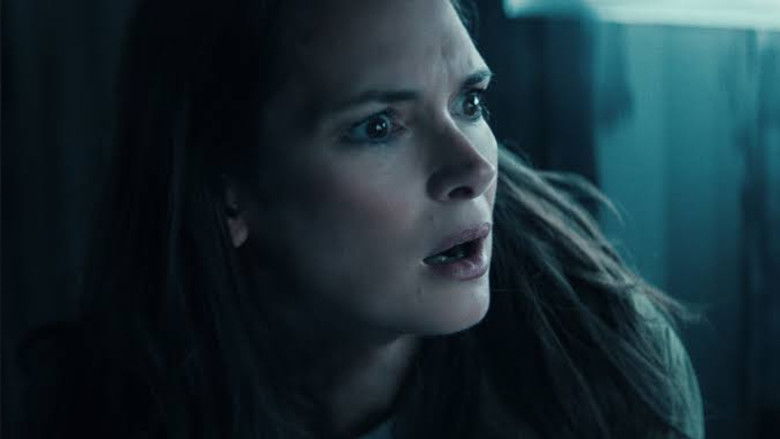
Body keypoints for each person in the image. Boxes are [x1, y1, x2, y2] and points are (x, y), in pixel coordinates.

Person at [20, 0, 704, 438]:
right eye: (379, 126)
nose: (473, 167)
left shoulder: (608, 370)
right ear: (229, 192)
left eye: (469, 102)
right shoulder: (101, 404)